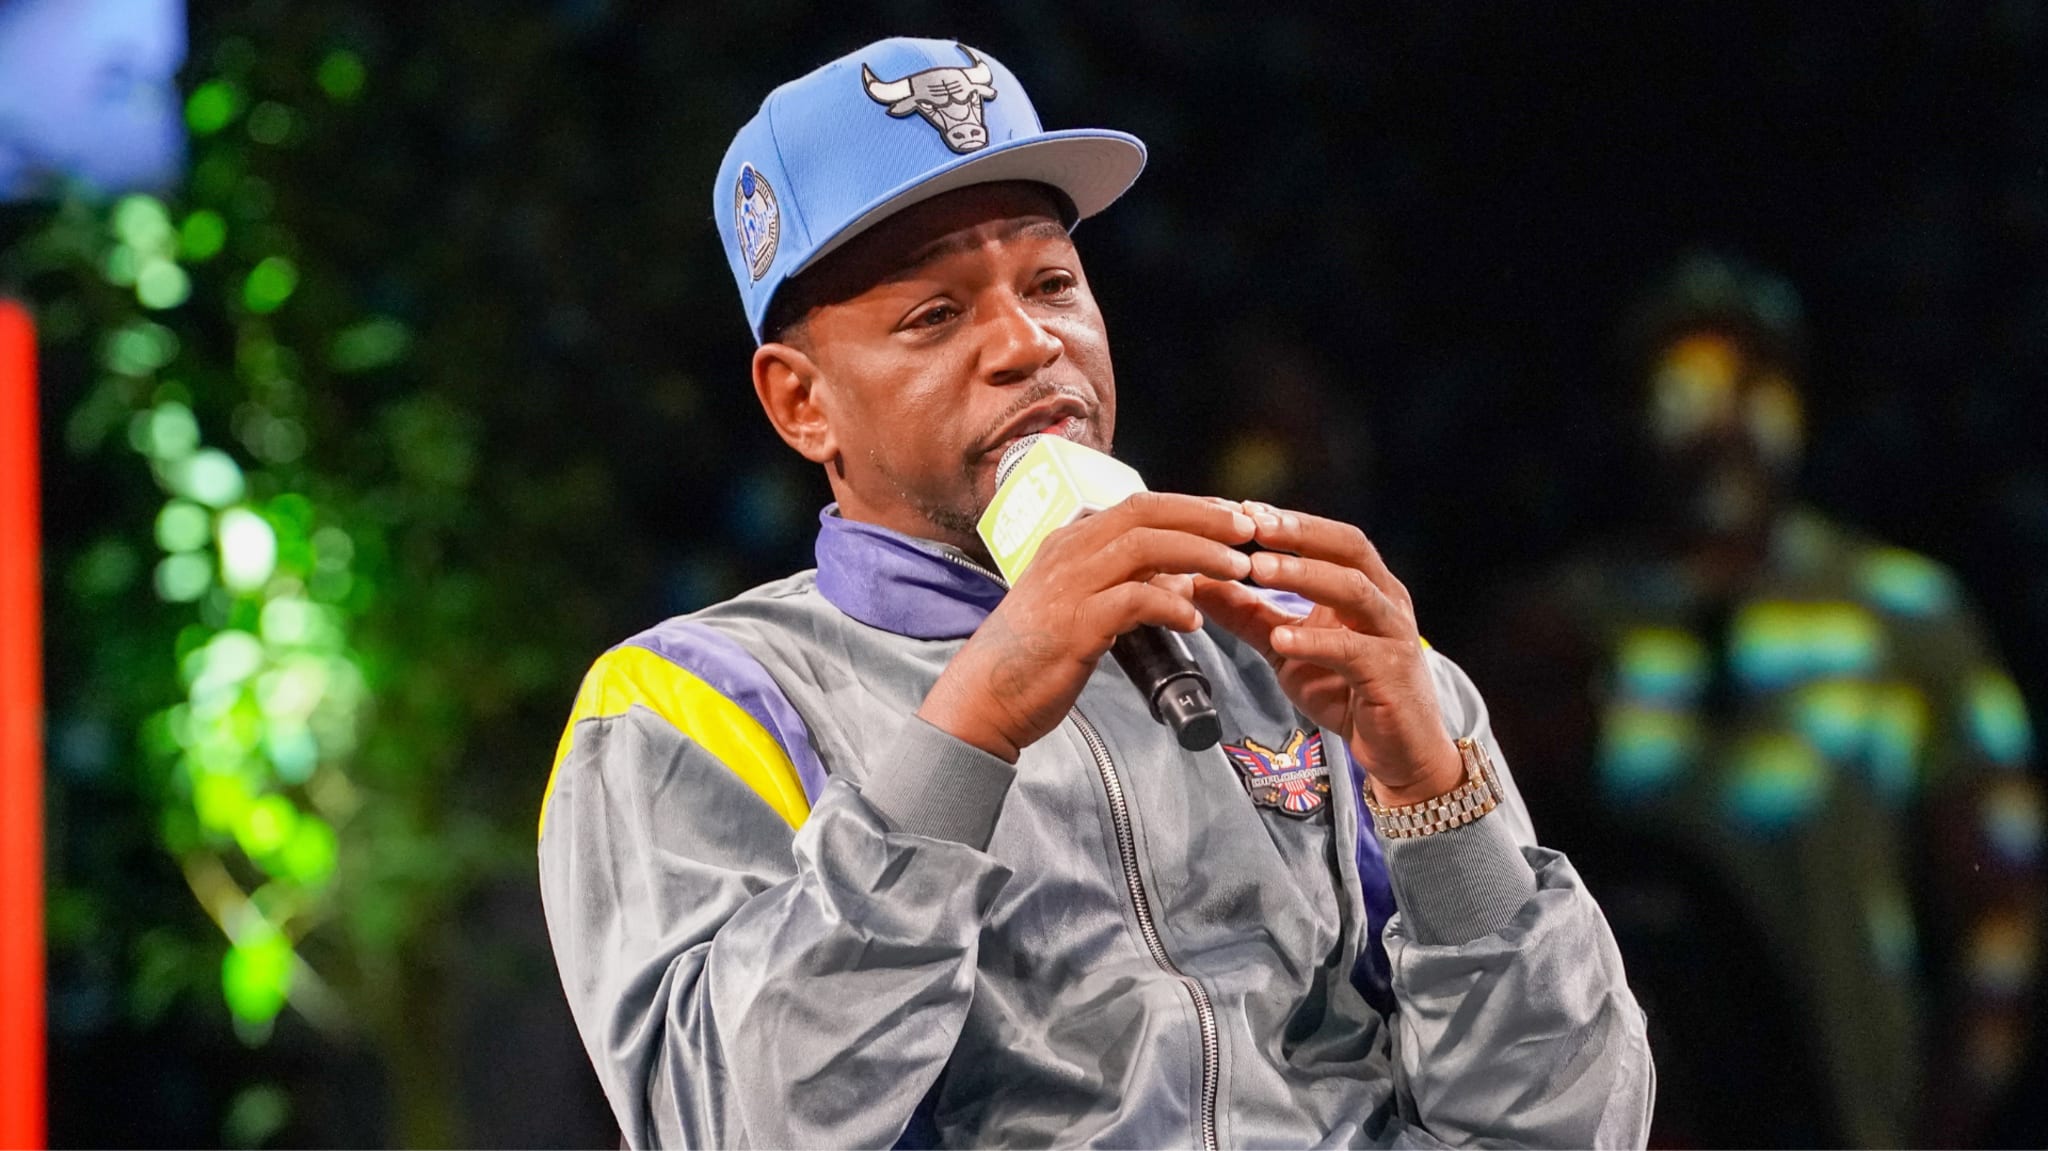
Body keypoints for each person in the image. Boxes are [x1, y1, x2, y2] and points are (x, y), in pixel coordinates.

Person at [537, 37, 1653, 1148]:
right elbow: (738, 1125)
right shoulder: (694, 704)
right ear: (801, 404)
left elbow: (1572, 1125)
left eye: (1051, 282)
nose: (1028, 342)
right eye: (935, 313)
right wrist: (968, 727)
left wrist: (1432, 795)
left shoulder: (1314, 646)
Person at [1469, 254, 2043, 1147]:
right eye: (1685, 384)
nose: (1725, 419)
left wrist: (1964, 1092)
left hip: (1856, 1101)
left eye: (1754, 382)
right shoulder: (1561, 624)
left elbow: (2003, 876)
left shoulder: (1905, 612)